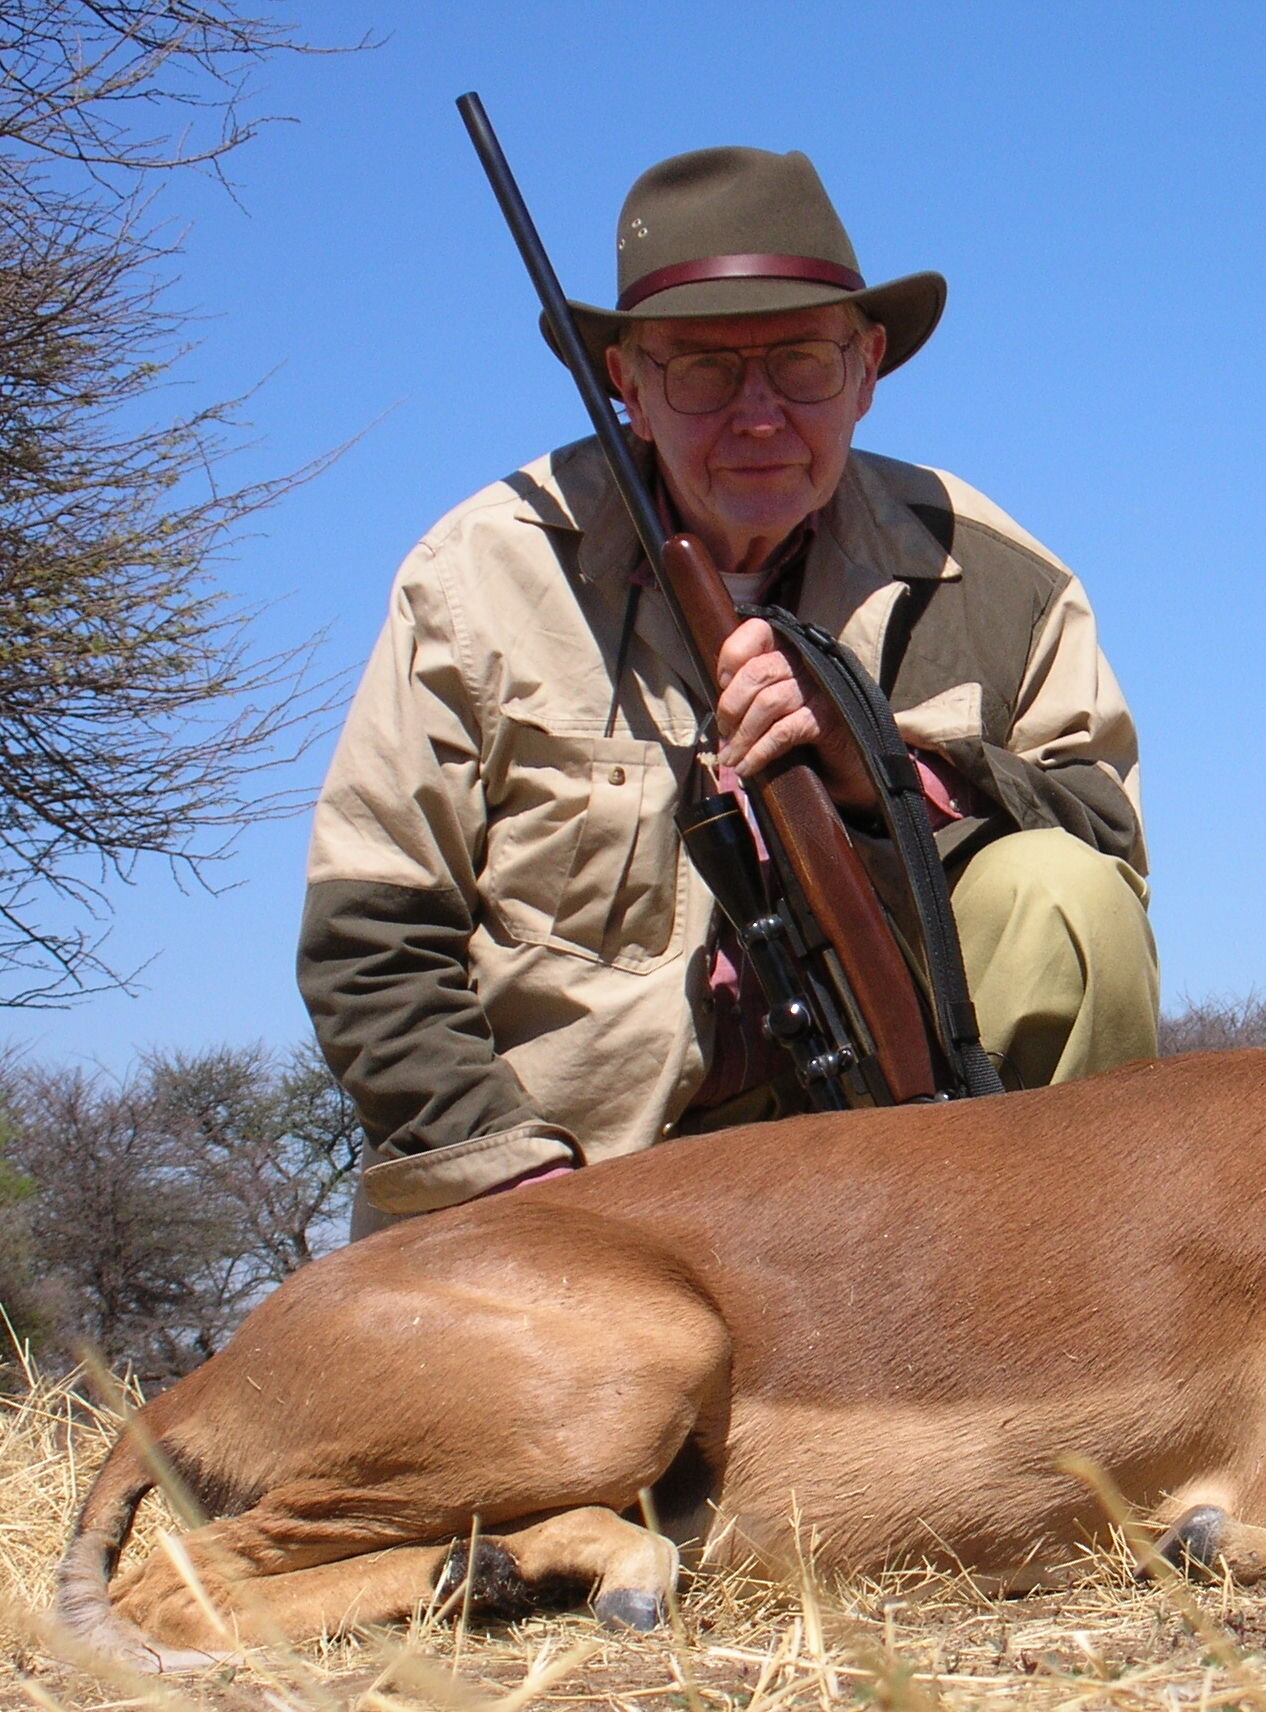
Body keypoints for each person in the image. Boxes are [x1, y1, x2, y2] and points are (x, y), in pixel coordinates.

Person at [301, 146, 1157, 1225]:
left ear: (868, 367)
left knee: (1063, 894)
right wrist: (520, 1192)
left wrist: (880, 772)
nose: (757, 416)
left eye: (801, 360)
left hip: (908, 1163)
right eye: (700, 370)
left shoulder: (998, 575)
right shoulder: (476, 575)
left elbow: (1106, 836)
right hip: (582, 1192)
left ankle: (1047, 1308)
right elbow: (371, 941)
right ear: (625, 384)